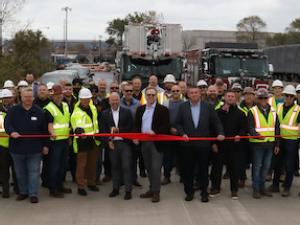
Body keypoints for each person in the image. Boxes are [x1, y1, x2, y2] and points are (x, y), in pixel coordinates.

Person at [176, 86, 224, 203]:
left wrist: (220, 133)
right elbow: (178, 123)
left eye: (196, 92)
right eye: (191, 93)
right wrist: (182, 134)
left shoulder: (208, 107)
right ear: (188, 94)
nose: (194, 94)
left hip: (203, 145)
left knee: (203, 170)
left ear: (200, 94)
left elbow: (216, 122)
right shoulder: (182, 107)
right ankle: (189, 192)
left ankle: (204, 193)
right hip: (187, 145)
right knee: (188, 170)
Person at [4, 88, 48, 203]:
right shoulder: (13, 111)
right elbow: (7, 124)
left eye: (30, 97)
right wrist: (11, 132)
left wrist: (45, 146)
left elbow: (44, 131)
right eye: (25, 97)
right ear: (21, 97)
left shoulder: (39, 112)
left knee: (34, 172)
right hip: (17, 149)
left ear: (33, 97)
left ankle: (33, 193)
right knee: (20, 172)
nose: (28, 99)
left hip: (35, 149)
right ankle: (23, 192)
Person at [135, 87, 170, 203]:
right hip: (144, 143)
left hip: (156, 143)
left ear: (156, 96)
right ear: (145, 96)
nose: (150, 97)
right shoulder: (140, 109)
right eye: (148, 95)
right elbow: (136, 125)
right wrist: (135, 137)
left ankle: (156, 192)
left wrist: (155, 131)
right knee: (149, 167)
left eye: (152, 95)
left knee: (155, 168)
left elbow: (166, 126)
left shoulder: (163, 110)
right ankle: (151, 188)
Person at [210, 90, 247, 199]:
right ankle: (215, 188)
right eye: (228, 96)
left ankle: (234, 190)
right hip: (220, 145)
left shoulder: (240, 113)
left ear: (235, 99)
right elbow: (212, 129)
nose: (230, 98)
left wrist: (239, 135)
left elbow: (244, 128)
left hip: (234, 146)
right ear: (224, 98)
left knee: (234, 169)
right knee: (216, 168)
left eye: (232, 96)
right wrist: (213, 143)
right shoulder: (217, 112)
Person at [248, 88, 280, 199]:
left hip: (270, 144)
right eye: (261, 98)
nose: (263, 100)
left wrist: (277, 144)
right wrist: (256, 135)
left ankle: (262, 188)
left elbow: (277, 130)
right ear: (257, 99)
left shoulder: (274, 112)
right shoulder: (252, 111)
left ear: (268, 99)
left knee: (266, 168)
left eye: (265, 98)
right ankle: (256, 189)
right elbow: (250, 127)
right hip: (257, 144)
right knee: (257, 167)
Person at [101, 93, 134, 200]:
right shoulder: (105, 114)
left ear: (119, 100)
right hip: (112, 144)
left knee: (126, 166)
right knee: (114, 167)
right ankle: (115, 188)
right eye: (112, 100)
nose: (114, 102)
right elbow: (103, 131)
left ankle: (128, 190)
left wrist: (119, 131)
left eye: (116, 100)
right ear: (109, 101)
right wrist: (108, 141)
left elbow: (130, 128)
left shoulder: (127, 112)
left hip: (124, 144)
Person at [268, 85, 300, 197]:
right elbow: (276, 122)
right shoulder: (280, 106)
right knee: (277, 163)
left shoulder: (298, 110)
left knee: (289, 165)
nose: (288, 98)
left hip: (292, 141)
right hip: (280, 139)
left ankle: (287, 187)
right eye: (286, 95)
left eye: (291, 96)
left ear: (294, 97)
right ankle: (275, 185)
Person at [71, 88, 101, 196]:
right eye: (84, 99)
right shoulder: (76, 112)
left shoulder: (92, 107)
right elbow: (75, 124)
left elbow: (95, 121)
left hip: (93, 139)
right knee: (81, 165)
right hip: (82, 141)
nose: (86, 101)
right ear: (80, 99)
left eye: (88, 99)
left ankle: (91, 183)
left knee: (92, 163)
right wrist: (79, 130)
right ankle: (81, 186)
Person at [44, 84, 72, 198]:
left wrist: (69, 137)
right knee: (54, 166)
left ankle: (60, 185)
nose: (58, 96)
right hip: (55, 142)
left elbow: (68, 122)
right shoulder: (49, 108)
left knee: (63, 165)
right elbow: (49, 124)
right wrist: (52, 132)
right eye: (56, 94)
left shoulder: (65, 105)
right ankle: (53, 189)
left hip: (65, 140)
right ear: (52, 96)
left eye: (60, 94)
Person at [120, 83, 144, 185]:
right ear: (123, 92)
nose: (129, 92)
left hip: (134, 135)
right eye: (127, 91)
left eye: (131, 91)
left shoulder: (138, 104)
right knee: (122, 160)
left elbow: (140, 120)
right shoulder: (118, 103)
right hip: (121, 135)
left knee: (134, 159)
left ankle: (134, 179)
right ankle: (122, 180)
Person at [0, 89, 18, 198]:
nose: (7, 100)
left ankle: (17, 189)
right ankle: (6, 190)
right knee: (4, 170)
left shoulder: (16, 110)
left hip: (15, 143)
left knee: (17, 169)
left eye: (8, 98)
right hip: (2, 146)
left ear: (12, 98)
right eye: (4, 98)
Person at [238, 87, 256, 188]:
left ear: (254, 96)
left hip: (255, 138)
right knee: (242, 160)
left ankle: (255, 180)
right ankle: (242, 178)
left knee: (255, 161)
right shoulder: (239, 108)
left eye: (251, 94)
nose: (248, 96)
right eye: (246, 94)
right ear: (243, 96)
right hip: (243, 138)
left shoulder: (258, 108)